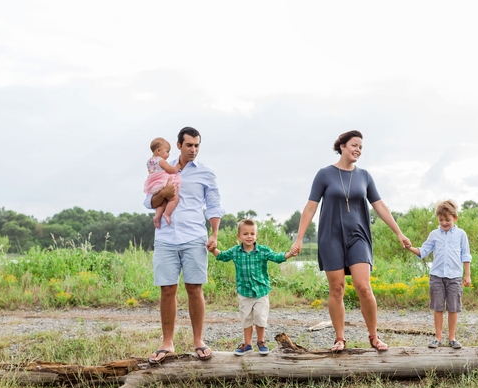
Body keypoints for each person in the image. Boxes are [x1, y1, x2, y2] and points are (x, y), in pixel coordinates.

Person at [291, 130, 411, 352]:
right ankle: (339, 338)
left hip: (358, 237)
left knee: (363, 286)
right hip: (331, 237)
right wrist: (299, 238)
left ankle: (374, 336)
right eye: (354, 145)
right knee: (337, 288)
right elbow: (310, 207)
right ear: (342, 146)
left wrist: (399, 232)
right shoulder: (324, 174)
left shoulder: (364, 176)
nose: (358, 150)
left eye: (361, 148)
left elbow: (380, 206)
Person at [144, 127, 225, 365]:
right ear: (178, 145)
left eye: (197, 145)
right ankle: (167, 342)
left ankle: (198, 341)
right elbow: (149, 201)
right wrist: (166, 193)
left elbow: (214, 205)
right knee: (167, 290)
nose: (193, 149)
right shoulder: (162, 166)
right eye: (189, 145)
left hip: (194, 237)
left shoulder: (206, 173)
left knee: (194, 288)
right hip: (166, 238)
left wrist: (215, 234)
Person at [210, 219, 299, 356]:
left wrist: (289, 254)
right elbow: (222, 256)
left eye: (252, 233)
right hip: (244, 292)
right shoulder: (235, 251)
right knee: (246, 318)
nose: (249, 236)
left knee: (259, 316)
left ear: (256, 235)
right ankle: (247, 344)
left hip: (261, 292)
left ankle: (261, 341)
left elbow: (276, 257)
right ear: (239, 236)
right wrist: (212, 250)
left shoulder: (262, 251)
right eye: (245, 234)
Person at [405, 199, 471, 349]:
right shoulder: (434, 234)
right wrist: (410, 247)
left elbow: (466, 255)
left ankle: (452, 338)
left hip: (454, 277)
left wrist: (467, 275)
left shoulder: (461, 235)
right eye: (441, 220)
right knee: (438, 307)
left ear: (455, 218)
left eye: (447, 220)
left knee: (453, 308)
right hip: (437, 277)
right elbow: (423, 251)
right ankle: (438, 337)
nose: (444, 223)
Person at [143, 138, 182, 228]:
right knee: (174, 199)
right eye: (167, 151)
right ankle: (167, 214)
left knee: (163, 202)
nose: (169, 154)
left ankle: (157, 217)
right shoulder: (160, 160)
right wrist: (177, 167)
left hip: (152, 186)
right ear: (159, 151)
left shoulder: (149, 161)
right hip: (162, 183)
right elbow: (171, 170)